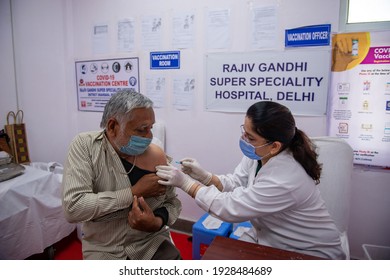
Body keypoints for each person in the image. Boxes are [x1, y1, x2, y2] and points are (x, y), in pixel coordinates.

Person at [156, 101, 346, 260]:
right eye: (244, 131)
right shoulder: (259, 154)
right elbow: (236, 183)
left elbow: (231, 208)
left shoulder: (286, 178)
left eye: (250, 136)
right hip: (272, 238)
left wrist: (187, 184)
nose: (244, 139)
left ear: (274, 146)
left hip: (309, 253)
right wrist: (205, 176)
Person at [62, 89, 182, 260]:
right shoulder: (85, 147)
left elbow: (172, 202)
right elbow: (73, 208)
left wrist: (156, 222)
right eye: (142, 130)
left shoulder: (156, 155)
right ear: (112, 127)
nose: (149, 136)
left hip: (150, 243)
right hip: (104, 249)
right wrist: (134, 192)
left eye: (151, 128)